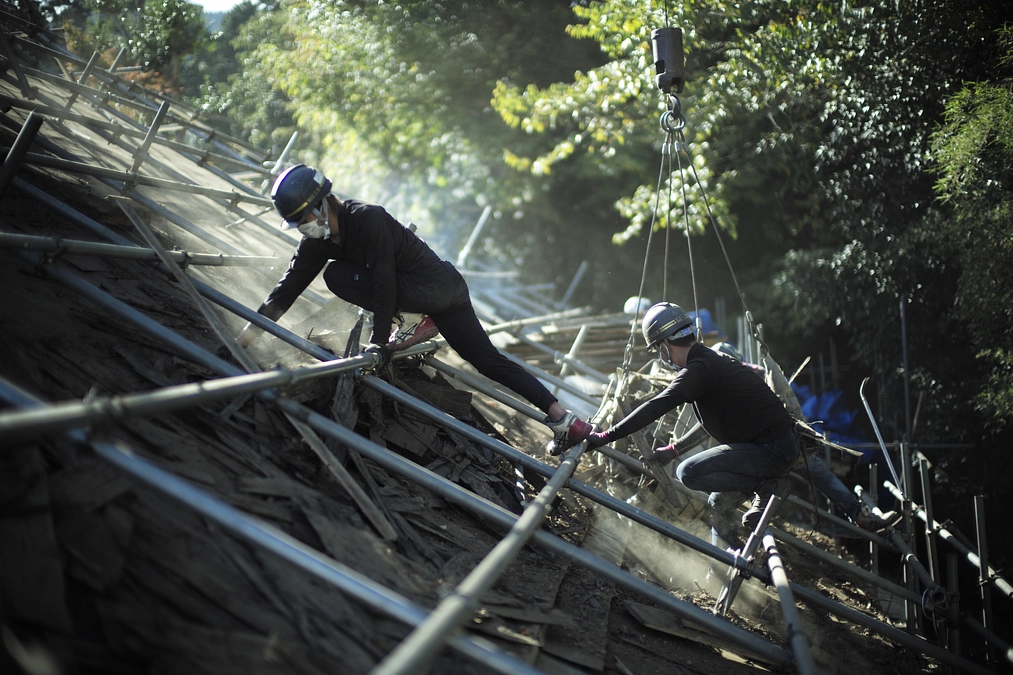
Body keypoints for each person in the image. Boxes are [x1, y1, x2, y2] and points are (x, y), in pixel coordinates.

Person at [234, 164, 591, 451]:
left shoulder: (367, 218)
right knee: (488, 361)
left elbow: (384, 282)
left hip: (433, 288)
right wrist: (244, 338)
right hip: (449, 292)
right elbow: (287, 288)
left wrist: (379, 342)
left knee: (337, 275)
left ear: (322, 206)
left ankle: (414, 320)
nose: (303, 230)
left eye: (303, 221)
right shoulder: (318, 243)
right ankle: (565, 420)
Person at [586, 301, 800, 546]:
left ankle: (767, 486)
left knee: (688, 472)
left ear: (664, 346)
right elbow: (709, 425)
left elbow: (656, 406)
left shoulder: (699, 369)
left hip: (772, 450)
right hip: (774, 446)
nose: (660, 356)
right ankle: (729, 558)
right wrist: (674, 449)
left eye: (657, 350)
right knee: (718, 502)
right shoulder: (710, 361)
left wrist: (606, 436)